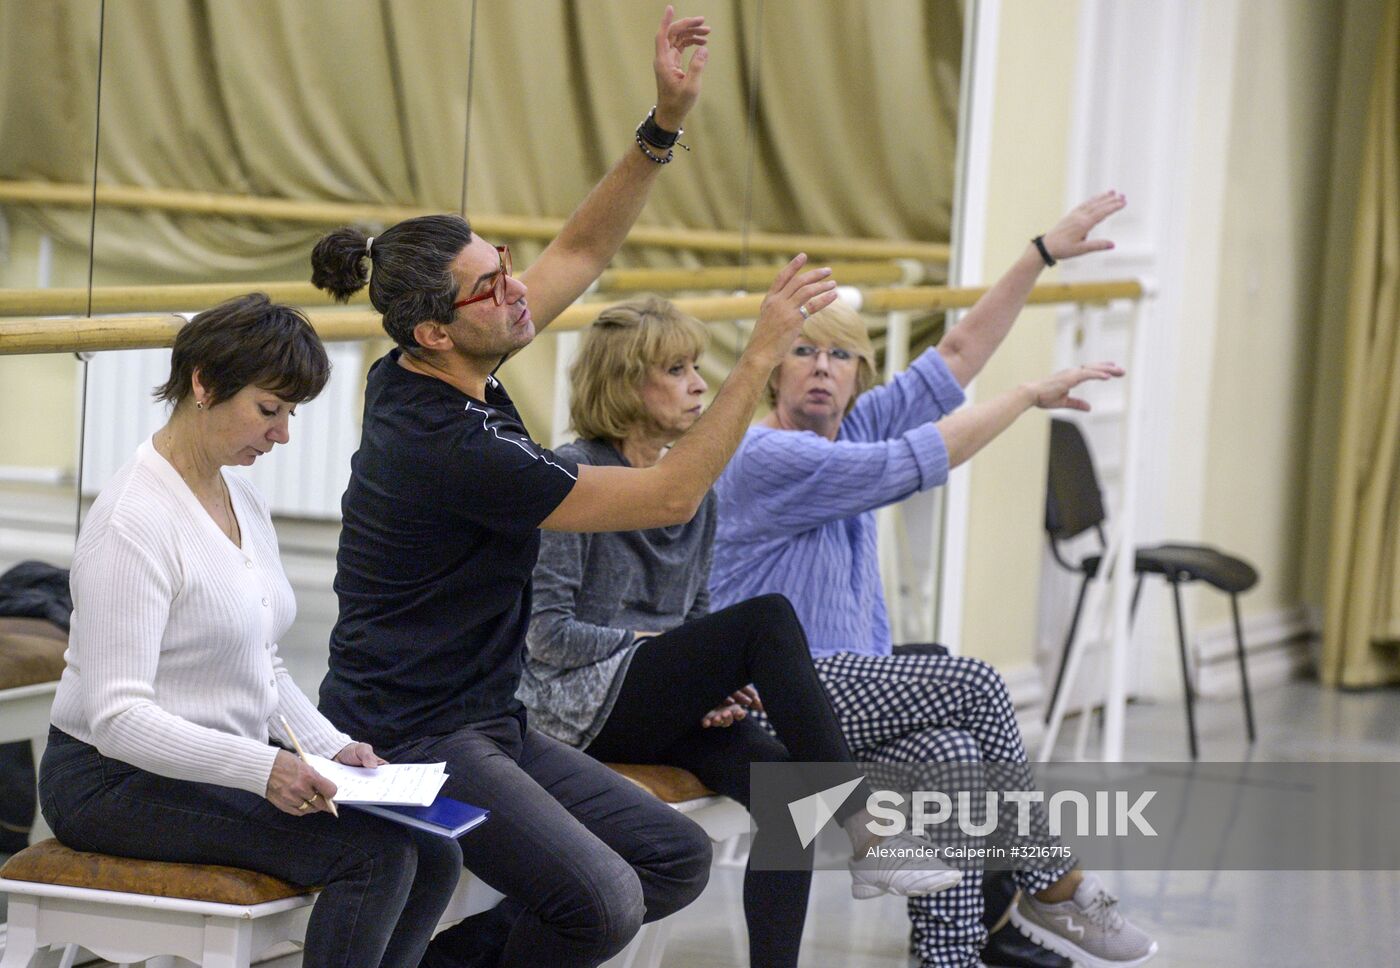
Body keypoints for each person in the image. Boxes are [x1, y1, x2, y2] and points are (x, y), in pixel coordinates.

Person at [309, 11, 956, 968]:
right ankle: (856, 820)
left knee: (673, 859)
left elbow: (579, 252)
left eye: (501, 268)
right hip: (412, 736)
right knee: (605, 901)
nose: (517, 291)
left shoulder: (433, 366)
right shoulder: (449, 444)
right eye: (490, 288)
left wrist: (662, 125)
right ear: (435, 332)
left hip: (490, 715)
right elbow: (667, 499)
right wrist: (759, 356)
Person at [710, 193, 1159, 968]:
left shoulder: (848, 428)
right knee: (975, 681)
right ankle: (1051, 878)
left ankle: (951, 956)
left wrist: (1038, 256)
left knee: (952, 750)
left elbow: (954, 356)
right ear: (771, 366)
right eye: (804, 352)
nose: (822, 369)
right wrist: (1023, 397)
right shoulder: (766, 456)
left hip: (849, 699)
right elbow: (911, 463)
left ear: (858, 373)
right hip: (777, 701)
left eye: (840, 355)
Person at [517, 297, 963, 968]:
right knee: (769, 616)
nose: (699, 383)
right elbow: (545, 639)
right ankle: (869, 828)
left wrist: (709, 683)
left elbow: (693, 619)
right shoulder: (571, 475)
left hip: (650, 698)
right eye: (677, 369)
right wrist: (654, 652)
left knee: (789, 789)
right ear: (626, 384)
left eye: (697, 366)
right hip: (576, 708)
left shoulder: (695, 486)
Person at [39, 294, 463, 968]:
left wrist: (334, 748)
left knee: (436, 851)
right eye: (270, 410)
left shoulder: (238, 493)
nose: (283, 434)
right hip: (108, 779)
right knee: (375, 858)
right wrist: (264, 767)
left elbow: (261, 662)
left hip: (208, 762)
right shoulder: (134, 520)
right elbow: (117, 719)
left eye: (291, 414)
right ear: (203, 384)